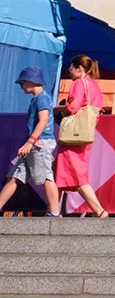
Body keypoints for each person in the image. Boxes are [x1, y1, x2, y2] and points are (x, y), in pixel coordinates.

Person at [54, 56, 109, 218]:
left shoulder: (79, 84)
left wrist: (58, 109)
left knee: (77, 177)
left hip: (73, 137)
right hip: (84, 134)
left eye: (71, 68)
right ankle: (53, 211)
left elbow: (72, 107)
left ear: (79, 68)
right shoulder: (94, 86)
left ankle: (99, 210)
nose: (69, 71)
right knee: (60, 175)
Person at [0, 67, 59, 217]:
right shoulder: (37, 98)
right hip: (34, 146)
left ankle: (54, 211)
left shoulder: (42, 98)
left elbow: (43, 120)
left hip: (39, 144)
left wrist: (30, 142)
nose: (21, 86)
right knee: (14, 177)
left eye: (22, 82)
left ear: (31, 81)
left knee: (46, 175)